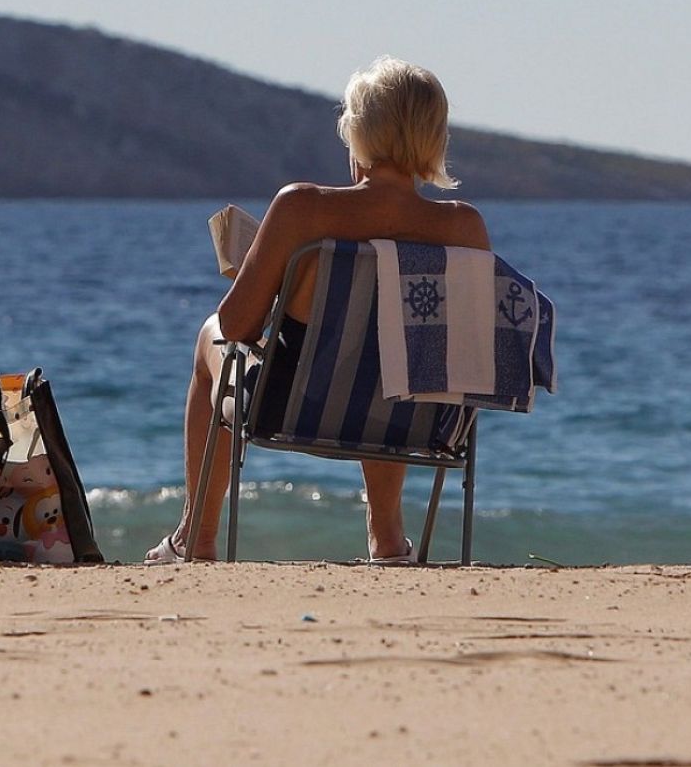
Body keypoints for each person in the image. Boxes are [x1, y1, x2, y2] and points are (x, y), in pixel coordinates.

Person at [145, 56, 491, 564]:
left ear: (358, 133)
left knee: (209, 335)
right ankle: (389, 541)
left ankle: (194, 539)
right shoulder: (465, 228)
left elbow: (239, 327)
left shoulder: (303, 208)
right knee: (392, 360)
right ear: (434, 137)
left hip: (291, 404)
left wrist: (261, 278)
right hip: (416, 417)